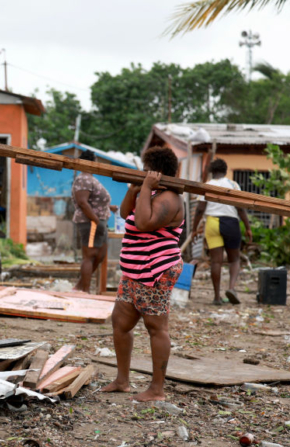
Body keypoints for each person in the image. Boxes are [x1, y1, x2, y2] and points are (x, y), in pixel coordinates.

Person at [100, 146, 184, 402]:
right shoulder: (150, 192)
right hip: (134, 271)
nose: (142, 172)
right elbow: (127, 214)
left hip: (156, 271)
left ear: (156, 172)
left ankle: (157, 390)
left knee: (156, 327)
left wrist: (145, 188)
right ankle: (122, 381)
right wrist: (135, 188)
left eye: (146, 169)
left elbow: (144, 223)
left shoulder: (169, 198)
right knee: (120, 324)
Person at [190, 158, 252, 305]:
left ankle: (217, 297)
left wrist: (194, 229)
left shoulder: (207, 186)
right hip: (231, 222)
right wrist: (248, 227)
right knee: (234, 258)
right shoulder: (233, 185)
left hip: (212, 223)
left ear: (212, 172)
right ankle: (231, 288)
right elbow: (240, 208)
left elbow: (200, 209)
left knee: (216, 261)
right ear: (225, 171)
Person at [71, 150, 118, 292]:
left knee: (100, 254)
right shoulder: (83, 179)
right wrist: (95, 219)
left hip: (98, 221)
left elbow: (94, 200)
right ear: (91, 162)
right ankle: (85, 290)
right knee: (90, 255)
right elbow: (83, 202)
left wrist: (109, 207)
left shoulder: (90, 178)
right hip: (90, 222)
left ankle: (80, 285)